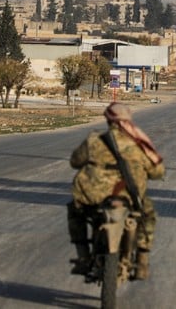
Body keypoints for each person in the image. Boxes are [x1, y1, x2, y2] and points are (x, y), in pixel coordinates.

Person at [67, 102, 165, 280]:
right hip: (128, 197)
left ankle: (83, 255)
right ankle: (142, 262)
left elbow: (75, 161)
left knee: (75, 211)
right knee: (148, 214)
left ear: (108, 120)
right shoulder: (138, 144)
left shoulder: (94, 141)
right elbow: (157, 172)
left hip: (92, 197)